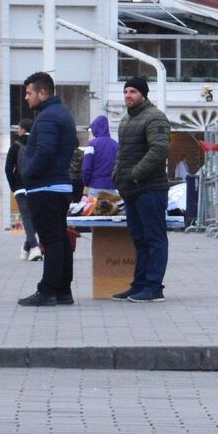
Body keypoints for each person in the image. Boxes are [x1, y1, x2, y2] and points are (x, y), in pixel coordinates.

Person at [15, 72, 78, 307]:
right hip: (56, 185)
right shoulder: (58, 114)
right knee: (60, 238)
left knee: (51, 241)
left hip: (47, 187)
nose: (26, 98)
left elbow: (45, 152)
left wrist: (27, 173)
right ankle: (63, 290)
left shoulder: (49, 117)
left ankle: (48, 290)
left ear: (43, 93)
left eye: (29, 93)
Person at [113, 76, 172, 302]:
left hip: (150, 189)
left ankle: (154, 286)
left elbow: (159, 150)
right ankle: (139, 285)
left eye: (133, 92)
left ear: (144, 95)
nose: (128, 95)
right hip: (131, 190)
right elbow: (122, 153)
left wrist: (135, 174)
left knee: (154, 239)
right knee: (139, 239)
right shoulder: (126, 120)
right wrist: (117, 174)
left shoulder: (155, 117)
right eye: (126, 91)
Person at [6, 107, 41, 261]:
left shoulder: (15, 146)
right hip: (35, 187)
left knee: (27, 218)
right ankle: (29, 247)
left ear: (21, 129)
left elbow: (8, 168)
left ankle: (32, 247)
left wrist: (13, 186)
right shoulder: (37, 145)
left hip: (20, 187)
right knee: (34, 219)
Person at [80, 114, 119, 196]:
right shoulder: (116, 145)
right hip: (113, 188)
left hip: (95, 187)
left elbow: (86, 168)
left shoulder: (91, 145)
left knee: (95, 209)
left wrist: (86, 183)